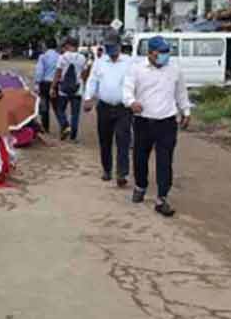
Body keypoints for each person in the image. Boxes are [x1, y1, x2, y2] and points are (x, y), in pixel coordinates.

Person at [123, 35, 191, 217]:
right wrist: (131, 102)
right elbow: (127, 89)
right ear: (150, 53)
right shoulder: (137, 70)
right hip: (143, 121)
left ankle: (162, 198)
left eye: (166, 52)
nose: (164, 56)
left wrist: (186, 111)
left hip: (167, 122)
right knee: (140, 157)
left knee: (165, 160)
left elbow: (181, 93)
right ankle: (140, 186)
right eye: (160, 52)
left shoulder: (175, 70)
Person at [84, 31, 134, 187]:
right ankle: (107, 169)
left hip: (123, 108)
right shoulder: (100, 62)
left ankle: (122, 173)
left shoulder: (130, 62)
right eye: (107, 46)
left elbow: (137, 82)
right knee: (105, 140)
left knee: (123, 140)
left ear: (119, 46)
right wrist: (88, 98)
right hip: (104, 107)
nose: (109, 49)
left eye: (112, 46)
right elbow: (92, 81)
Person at [51, 36, 88, 141]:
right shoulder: (82, 58)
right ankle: (73, 136)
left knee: (60, 109)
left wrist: (53, 87)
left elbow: (58, 74)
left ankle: (65, 125)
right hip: (77, 89)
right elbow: (84, 74)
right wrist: (82, 84)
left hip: (64, 89)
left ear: (68, 45)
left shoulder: (62, 57)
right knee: (75, 114)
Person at [34, 39, 60, 133]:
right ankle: (63, 125)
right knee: (56, 106)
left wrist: (37, 83)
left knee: (44, 106)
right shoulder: (59, 57)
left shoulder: (43, 57)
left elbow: (39, 71)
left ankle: (45, 127)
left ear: (46, 45)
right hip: (56, 83)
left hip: (44, 83)